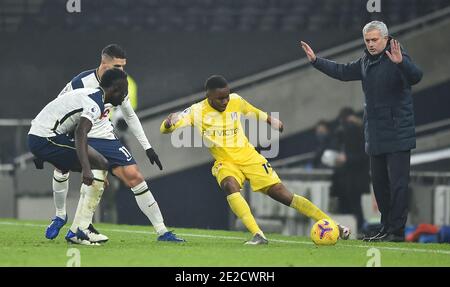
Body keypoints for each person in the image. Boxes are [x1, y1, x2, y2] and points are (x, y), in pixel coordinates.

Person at [160, 75, 350, 245]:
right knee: (229, 185)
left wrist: (271, 120)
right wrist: (169, 123)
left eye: (227, 96)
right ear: (208, 96)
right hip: (226, 162)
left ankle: (334, 225)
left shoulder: (235, 100)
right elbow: (166, 128)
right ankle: (258, 234)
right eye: (220, 98)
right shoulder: (196, 111)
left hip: (249, 157)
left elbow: (251, 111)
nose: (225, 100)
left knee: (283, 195)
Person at [40, 44, 184, 244]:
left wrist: (148, 147)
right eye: (117, 66)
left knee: (134, 176)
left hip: (106, 136)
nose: (122, 71)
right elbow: (58, 108)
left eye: (124, 66)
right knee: (63, 168)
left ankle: (162, 232)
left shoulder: (120, 83)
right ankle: (61, 215)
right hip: (81, 134)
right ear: (104, 64)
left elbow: (130, 116)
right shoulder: (81, 82)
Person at [300, 21, 423, 242]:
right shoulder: (366, 61)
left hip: (397, 133)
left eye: (375, 40)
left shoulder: (397, 56)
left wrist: (402, 63)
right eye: (367, 40)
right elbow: (343, 71)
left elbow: (416, 76)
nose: (371, 44)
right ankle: (386, 228)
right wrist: (317, 62)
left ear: (385, 39)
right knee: (380, 185)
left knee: (398, 185)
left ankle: (397, 231)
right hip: (374, 134)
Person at [28, 69, 127, 245]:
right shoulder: (96, 103)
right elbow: (81, 132)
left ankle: (67, 220)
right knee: (101, 163)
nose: (125, 96)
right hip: (45, 138)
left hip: (40, 134)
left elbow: (62, 114)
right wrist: (87, 169)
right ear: (116, 88)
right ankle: (82, 228)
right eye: (124, 91)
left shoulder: (91, 94)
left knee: (72, 166)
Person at [331, 107, 370, 232]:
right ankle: (351, 230)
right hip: (345, 178)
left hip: (355, 178)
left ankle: (359, 229)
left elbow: (363, 156)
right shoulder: (344, 134)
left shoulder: (359, 132)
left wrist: (347, 158)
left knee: (355, 206)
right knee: (347, 206)